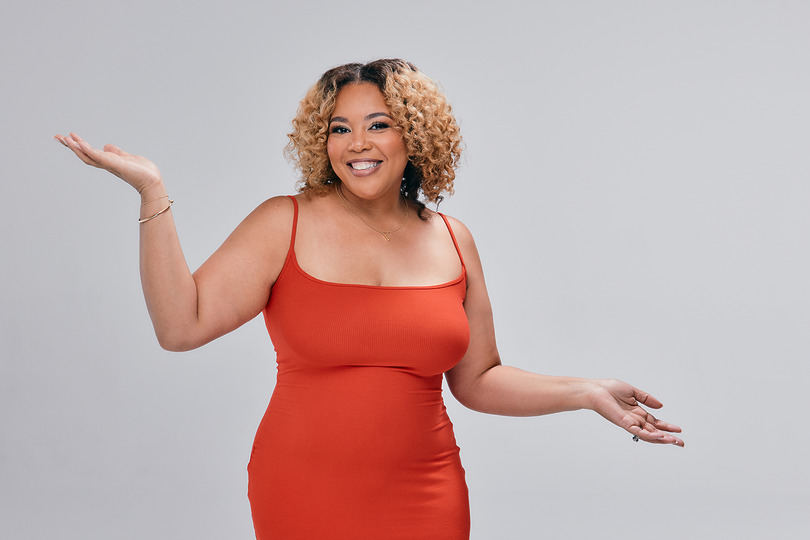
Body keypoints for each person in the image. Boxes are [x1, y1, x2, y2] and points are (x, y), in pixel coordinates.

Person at [55, 59, 683, 540]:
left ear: (414, 135)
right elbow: (180, 325)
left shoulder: (453, 240)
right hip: (302, 489)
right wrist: (152, 194)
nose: (357, 143)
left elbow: (478, 380)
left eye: (377, 124)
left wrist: (586, 392)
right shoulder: (286, 222)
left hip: (428, 492)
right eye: (340, 128)